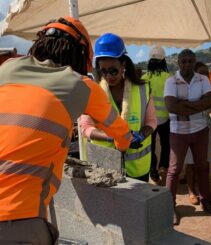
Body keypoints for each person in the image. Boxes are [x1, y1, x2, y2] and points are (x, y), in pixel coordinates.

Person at [0, 17, 131, 244]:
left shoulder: (6, 69)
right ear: (81, 55)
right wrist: (123, 144)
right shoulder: (80, 85)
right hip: (17, 218)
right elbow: (121, 133)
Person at [80, 33, 156, 182]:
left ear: (123, 65)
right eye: (104, 71)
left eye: (113, 70)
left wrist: (141, 135)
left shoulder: (143, 89)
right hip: (105, 165)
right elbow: (85, 128)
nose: (109, 76)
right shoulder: (92, 92)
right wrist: (114, 136)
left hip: (137, 167)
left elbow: (152, 122)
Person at [164, 49, 211, 225]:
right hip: (178, 131)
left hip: (200, 130)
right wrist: (197, 105)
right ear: (178, 62)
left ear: (195, 62)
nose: (187, 64)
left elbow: (210, 102)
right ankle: (169, 207)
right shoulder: (171, 81)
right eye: (183, 61)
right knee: (174, 170)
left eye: (190, 61)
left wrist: (185, 105)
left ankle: (205, 201)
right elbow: (172, 107)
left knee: (202, 166)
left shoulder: (203, 79)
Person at [141, 46, 170, 184]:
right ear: (163, 61)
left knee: (150, 147)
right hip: (166, 118)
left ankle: (152, 171)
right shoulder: (169, 78)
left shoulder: (144, 78)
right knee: (166, 144)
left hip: (149, 120)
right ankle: (163, 166)